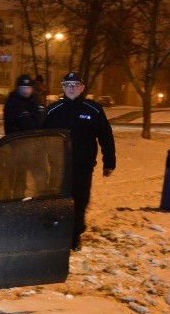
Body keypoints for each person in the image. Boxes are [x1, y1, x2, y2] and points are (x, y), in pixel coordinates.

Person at [44, 71, 116, 251]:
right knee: (58, 200)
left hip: (82, 166)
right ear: (63, 87)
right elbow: (40, 137)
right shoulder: (53, 110)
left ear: (82, 88)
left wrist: (109, 162)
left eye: (75, 85)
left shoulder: (94, 109)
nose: (71, 88)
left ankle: (75, 235)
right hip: (58, 166)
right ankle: (57, 232)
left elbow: (106, 137)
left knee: (79, 200)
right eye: (68, 85)